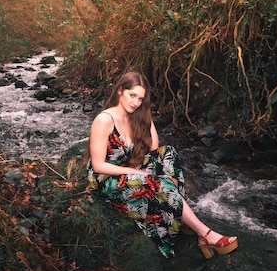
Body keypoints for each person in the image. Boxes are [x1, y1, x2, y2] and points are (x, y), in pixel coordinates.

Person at [86, 71, 238, 259]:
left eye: (140, 99)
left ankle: (179, 212)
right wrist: (137, 173)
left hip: (126, 169)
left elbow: (154, 148)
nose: (135, 102)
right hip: (105, 178)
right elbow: (99, 165)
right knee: (159, 182)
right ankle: (205, 234)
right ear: (120, 91)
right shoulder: (104, 120)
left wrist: (146, 116)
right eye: (132, 95)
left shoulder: (135, 114)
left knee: (169, 153)